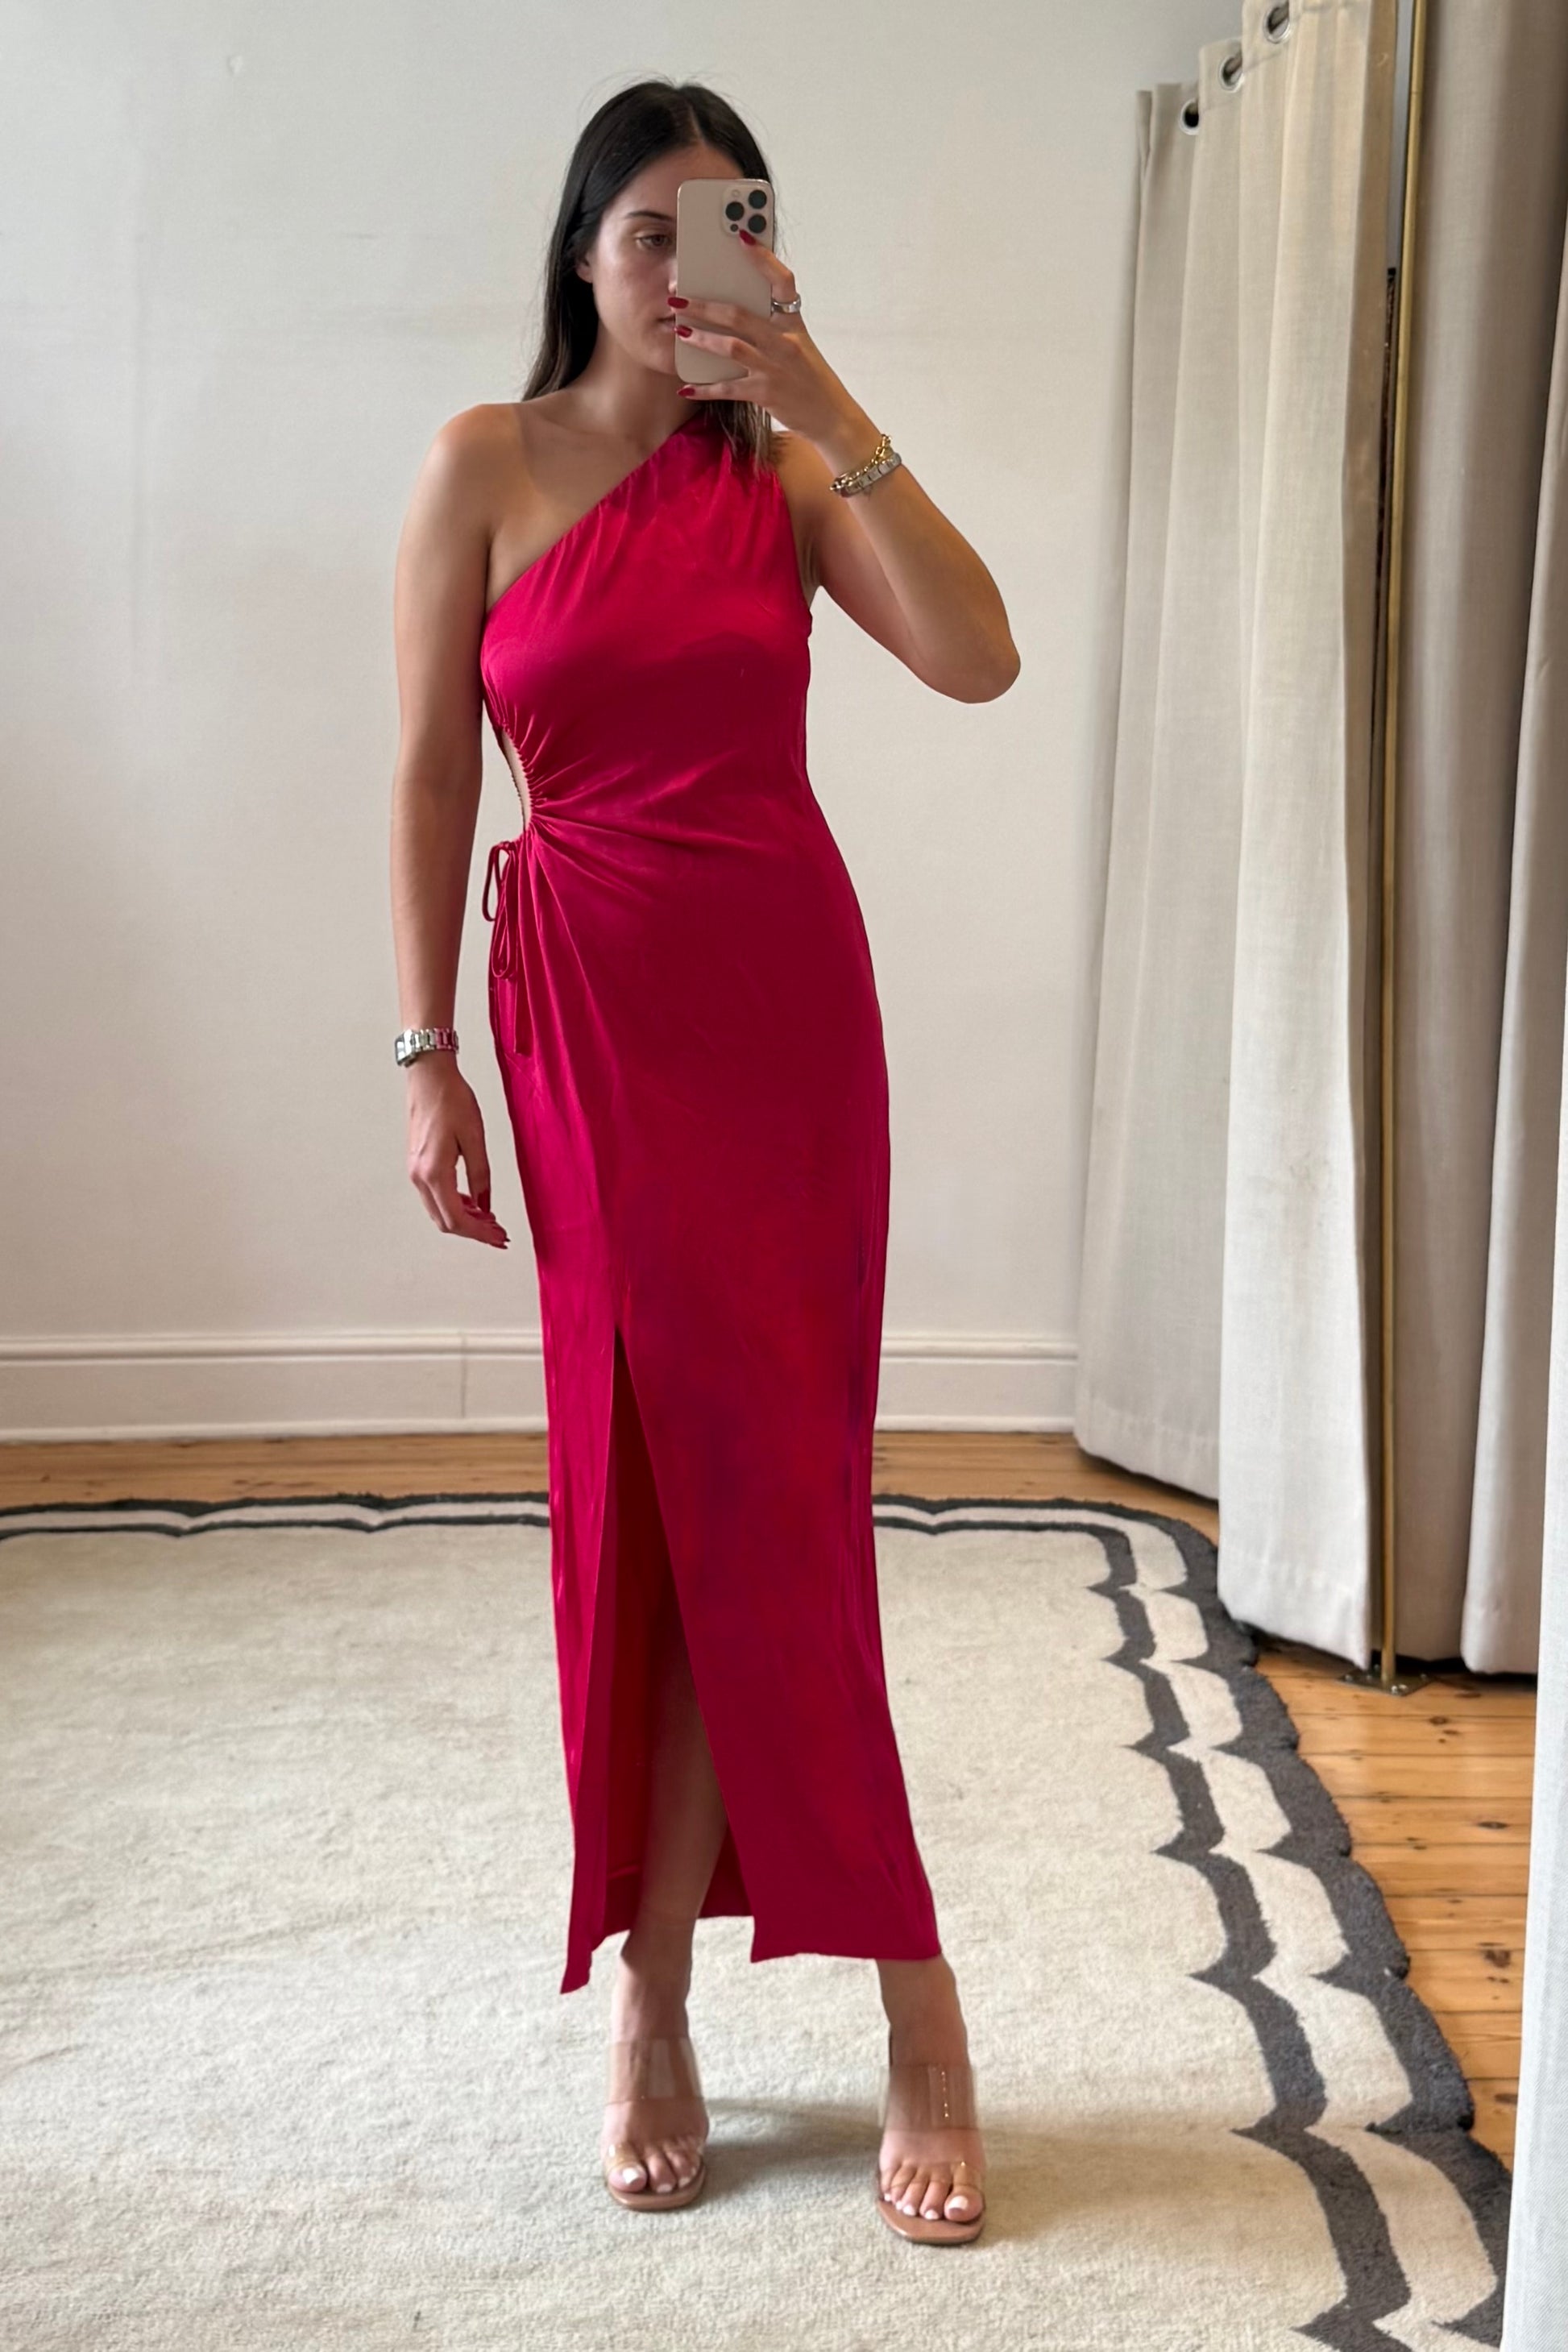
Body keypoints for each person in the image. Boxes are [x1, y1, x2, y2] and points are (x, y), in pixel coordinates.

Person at [388, 77, 1019, 2245]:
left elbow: (978, 659)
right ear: (581, 253)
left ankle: (915, 2006)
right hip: (578, 1018)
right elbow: (426, 775)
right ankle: (650, 1994)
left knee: (778, 1499)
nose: (680, 270)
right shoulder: (482, 464)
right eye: (647, 231)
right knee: (643, 1501)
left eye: (720, 228)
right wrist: (426, 1058)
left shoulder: (781, 470)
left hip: (777, 1022)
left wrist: (825, 394)